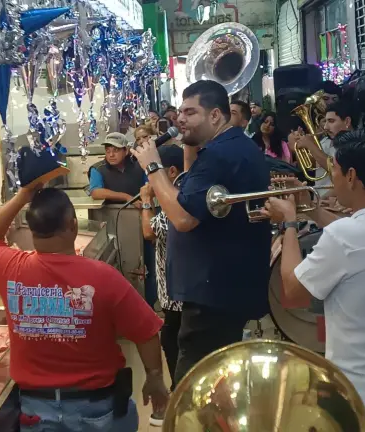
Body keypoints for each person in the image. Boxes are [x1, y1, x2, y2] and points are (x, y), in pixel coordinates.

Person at [263, 128, 365, 431]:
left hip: (362, 405)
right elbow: (363, 231)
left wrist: (289, 223)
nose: (333, 178)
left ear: (352, 175)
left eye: (336, 171)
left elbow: (292, 293)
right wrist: (313, 210)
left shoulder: (343, 238)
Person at [0, 186, 168, 432]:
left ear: (31, 229)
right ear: (73, 225)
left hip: (36, 413)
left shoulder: (10, 268)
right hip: (99, 410)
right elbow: (146, 331)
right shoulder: (104, 277)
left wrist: (23, 195)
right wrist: (154, 378)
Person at [130, 80, 271, 386]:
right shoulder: (231, 147)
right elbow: (192, 188)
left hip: (213, 296)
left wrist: (153, 167)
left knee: (195, 387)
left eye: (190, 112)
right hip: (226, 289)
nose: (180, 119)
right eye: (179, 111)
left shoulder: (219, 157)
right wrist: (188, 145)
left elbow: (182, 217)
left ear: (216, 116)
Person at [139, 145, 185, 426]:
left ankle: (181, 395)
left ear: (170, 172)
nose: (148, 182)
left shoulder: (175, 199)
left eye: (151, 174)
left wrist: (146, 201)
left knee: (174, 341)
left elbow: (149, 231)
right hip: (177, 291)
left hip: (179, 293)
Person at [87, 132, 147, 206]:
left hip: (141, 210)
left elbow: (151, 186)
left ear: (126, 151)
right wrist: (126, 197)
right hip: (109, 213)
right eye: (108, 151)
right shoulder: (98, 169)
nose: (111, 155)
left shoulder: (140, 165)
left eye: (116, 150)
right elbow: (95, 192)